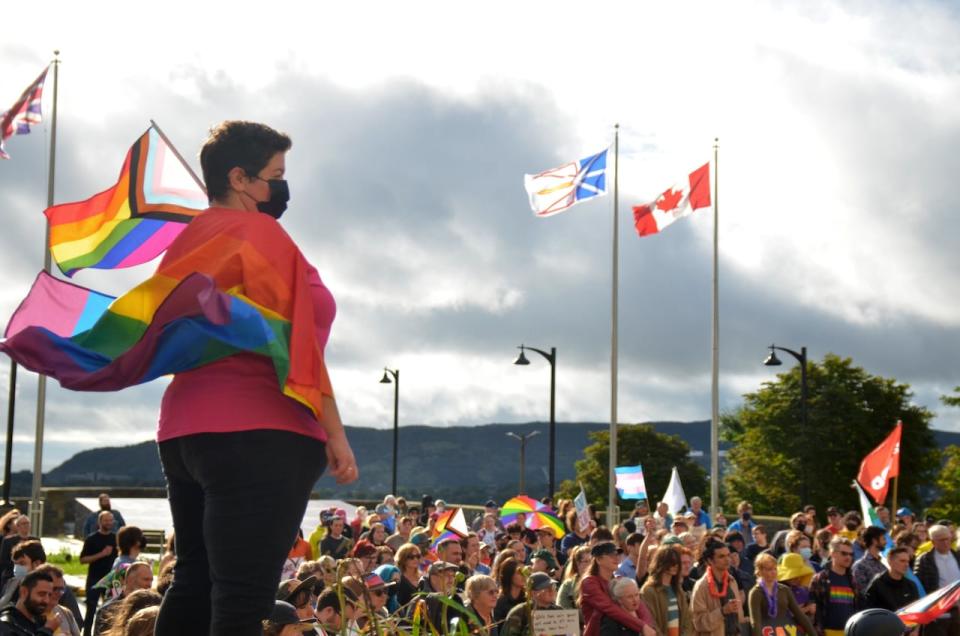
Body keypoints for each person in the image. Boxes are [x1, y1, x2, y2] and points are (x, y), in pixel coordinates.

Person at [152, 121, 357, 636]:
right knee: (243, 600)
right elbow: (298, 345)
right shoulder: (262, 234)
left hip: (185, 432)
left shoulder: (188, 240)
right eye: (275, 176)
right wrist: (334, 432)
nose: (281, 189)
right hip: (262, 430)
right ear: (239, 178)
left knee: (194, 583)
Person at [578, 542, 655, 636]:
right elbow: (610, 608)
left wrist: (647, 626)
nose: (616, 558)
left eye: (617, 554)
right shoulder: (589, 582)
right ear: (598, 560)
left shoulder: (618, 579)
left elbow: (640, 605)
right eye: (611, 555)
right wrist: (641, 626)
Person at [748, 553, 815, 636]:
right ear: (760, 571)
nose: (773, 572)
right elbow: (755, 622)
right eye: (769, 569)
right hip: (766, 632)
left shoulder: (784, 590)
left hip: (784, 631)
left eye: (775, 569)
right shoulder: (756, 593)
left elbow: (800, 615)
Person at [690, 539, 745, 636]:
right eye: (721, 556)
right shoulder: (701, 586)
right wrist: (722, 611)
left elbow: (738, 616)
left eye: (728, 555)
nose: (728, 559)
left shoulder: (732, 581)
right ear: (709, 561)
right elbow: (698, 623)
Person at [914, 524, 960, 636]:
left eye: (947, 539)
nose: (945, 542)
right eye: (941, 540)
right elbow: (920, 586)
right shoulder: (924, 560)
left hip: (957, 612)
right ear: (933, 541)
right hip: (937, 613)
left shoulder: (957, 556)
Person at [809, 536, 859, 636]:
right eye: (844, 553)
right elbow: (813, 610)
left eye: (851, 554)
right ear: (833, 554)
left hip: (849, 632)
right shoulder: (819, 579)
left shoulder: (852, 580)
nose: (848, 557)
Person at [641, 544, 693, 636]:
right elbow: (651, 623)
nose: (675, 566)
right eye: (672, 562)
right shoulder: (648, 591)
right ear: (661, 563)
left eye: (677, 562)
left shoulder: (678, 589)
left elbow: (687, 620)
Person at [79, 512, 117, 636]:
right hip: (94, 578)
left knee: (110, 610)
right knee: (91, 609)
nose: (109, 523)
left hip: (111, 579)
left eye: (111, 520)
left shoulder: (115, 538)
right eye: (106, 520)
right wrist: (101, 554)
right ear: (99, 522)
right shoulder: (91, 539)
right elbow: (83, 560)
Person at [0, 569, 58, 636]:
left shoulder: (40, 622)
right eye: (41, 594)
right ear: (24, 592)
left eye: (49, 595)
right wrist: (47, 631)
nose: (46, 600)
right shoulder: (5, 626)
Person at [863, 547, 920, 613]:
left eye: (908, 561)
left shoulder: (911, 586)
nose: (906, 565)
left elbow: (916, 610)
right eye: (902, 561)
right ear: (890, 562)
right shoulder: (877, 584)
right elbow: (869, 611)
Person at [0, 516, 38, 589]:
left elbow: (39, 557)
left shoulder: (35, 540)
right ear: (17, 526)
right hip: (12, 575)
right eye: (23, 523)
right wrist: (20, 565)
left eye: (28, 523)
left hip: (31, 575)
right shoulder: (8, 541)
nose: (26, 525)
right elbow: (3, 561)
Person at [850, 526, 887, 600]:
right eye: (883, 539)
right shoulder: (860, 566)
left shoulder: (883, 564)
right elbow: (862, 593)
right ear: (874, 541)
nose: (885, 542)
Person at [557, 545, 591, 610]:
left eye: (592, 561)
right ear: (578, 563)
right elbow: (562, 609)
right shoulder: (568, 585)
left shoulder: (600, 581)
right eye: (586, 561)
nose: (590, 564)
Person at [493, 558, 525, 624]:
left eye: (524, 572)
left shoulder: (527, 599)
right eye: (519, 572)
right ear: (509, 574)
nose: (523, 575)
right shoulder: (499, 602)